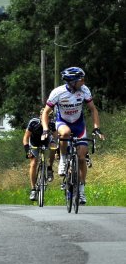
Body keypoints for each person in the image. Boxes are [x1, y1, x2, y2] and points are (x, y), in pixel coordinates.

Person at [41, 66, 105, 205]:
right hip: (62, 122)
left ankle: (81, 190)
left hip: (79, 125)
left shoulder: (84, 90)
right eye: (81, 79)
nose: (84, 81)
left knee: (82, 158)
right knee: (65, 133)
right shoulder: (58, 93)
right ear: (72, 81)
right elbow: (45, 112)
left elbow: (93, 109)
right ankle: (63, 160)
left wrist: (96, 128)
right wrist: (46, 129)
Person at [23, 109, 57, 201]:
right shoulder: (33, 122)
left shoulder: (52, 124)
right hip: (34, 143)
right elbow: (26, 137)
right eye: (45, 117)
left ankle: (49, 168)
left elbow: (55, 137)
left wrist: (57, 150)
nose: (47, 119)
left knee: (54, 146)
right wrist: (27, 151)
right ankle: (33, 189)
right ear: (40, 116)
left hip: (46, 142)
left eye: (49, 118)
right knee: (33, 163)